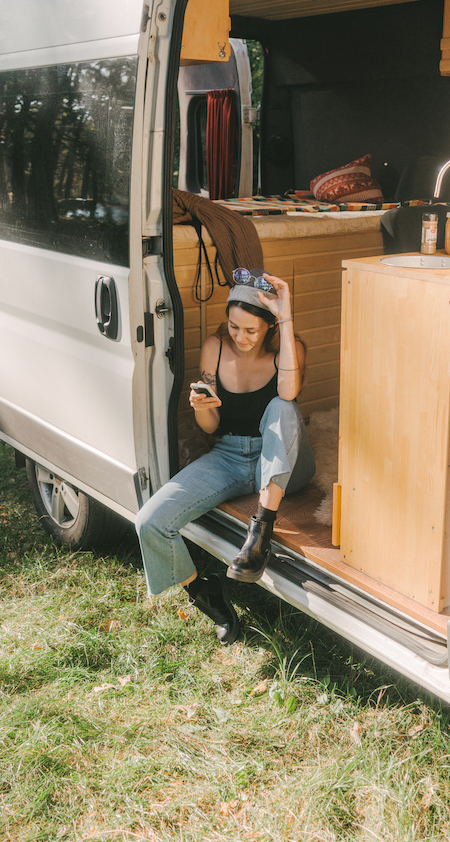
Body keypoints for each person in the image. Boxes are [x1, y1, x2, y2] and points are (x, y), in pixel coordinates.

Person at [135, 268, 315, 644]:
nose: (241, 337)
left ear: (268, 326)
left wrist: (286, 316)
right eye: (234, 327)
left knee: (282, 407)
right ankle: (208, 596)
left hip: (285, 464)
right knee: (150, 520)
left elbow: (288, 391)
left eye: (251, 330)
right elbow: (210, 427)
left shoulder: (289, 347)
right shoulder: (215, 347)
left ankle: (259, 535)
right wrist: (200, 405)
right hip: (231, 455)